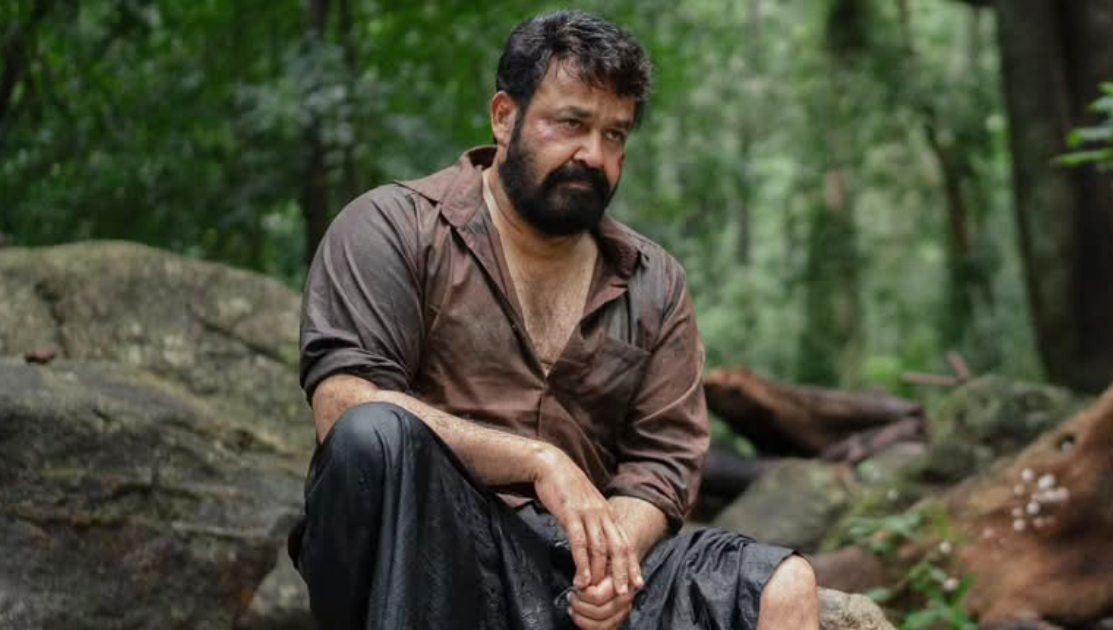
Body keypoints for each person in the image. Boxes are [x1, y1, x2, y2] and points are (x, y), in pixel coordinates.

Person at [289, 10, 819, 629]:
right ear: (504, 117)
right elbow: (344, 407)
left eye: (615, 135)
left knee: (786, 586)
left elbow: (663, 465)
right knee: (373, 433)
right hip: (433, 553)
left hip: (580, 572)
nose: (593, 155)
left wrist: (610, 563)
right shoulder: (394, 227)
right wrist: (539, 461)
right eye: (572, 124)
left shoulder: (654, 282)